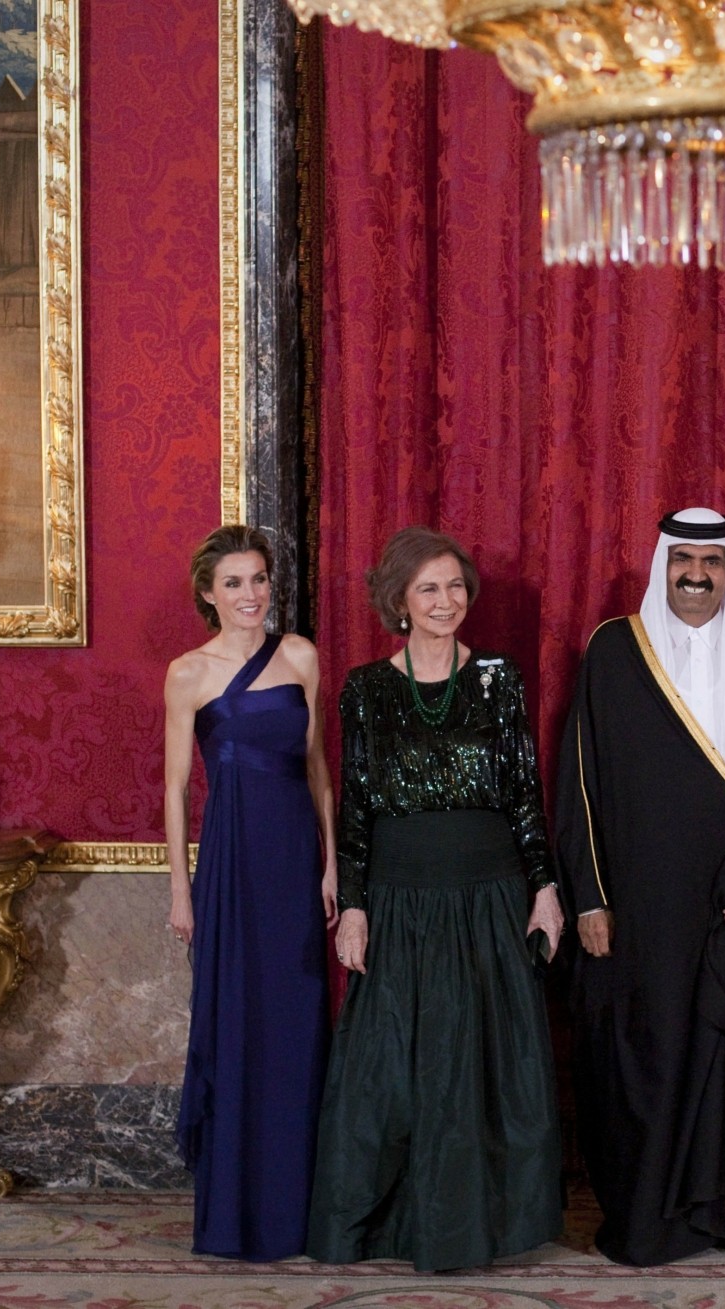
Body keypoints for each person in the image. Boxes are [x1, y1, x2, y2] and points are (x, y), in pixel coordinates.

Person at [553, 508, 725, 1266]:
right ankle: (649, 1218)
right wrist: (590, 897)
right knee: (653, 1051)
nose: (696, 575)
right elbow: (580, 782)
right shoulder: (616, 647)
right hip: (643, 906)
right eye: (683, 560)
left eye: (712, 562)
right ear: (663, 565)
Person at [308, 527, 566, 1272]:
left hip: (489, 894)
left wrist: (545, 888)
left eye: (455, 586)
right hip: (402, 898)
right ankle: (394, 1226)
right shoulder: (366, 688)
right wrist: (354, 905)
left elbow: (524, 791)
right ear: (399, 600)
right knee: (393, 1066)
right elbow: (357, 804)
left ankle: (478, 1227)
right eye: (428, 588)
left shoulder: (498, 677)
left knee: (483, 1065)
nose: (446, 601)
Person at [163, 525, 336, 1260]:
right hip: (231, 866)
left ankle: (298, 1208)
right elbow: (175, 788)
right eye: (233, 582)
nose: (250, 594)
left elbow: (317, 767)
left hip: (294, 859)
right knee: (236, 1022)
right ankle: (235, 1212)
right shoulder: (187, 673)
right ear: (208, 593)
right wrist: (181, 890)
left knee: (297, 1024)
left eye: (259, 579)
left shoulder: (301, 657)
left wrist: (331, 863)